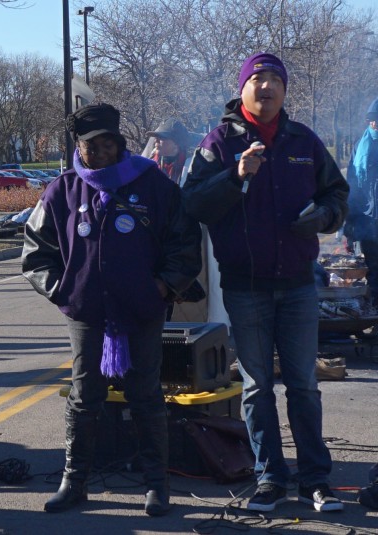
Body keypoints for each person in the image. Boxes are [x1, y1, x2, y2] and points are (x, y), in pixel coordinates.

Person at [183, 52, 349, 513]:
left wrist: (325, 216)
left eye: (275, 78)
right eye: (258, 78)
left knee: (303, 386)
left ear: (285, 90)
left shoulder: (304, 141)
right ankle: (270, 479)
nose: (267, 86)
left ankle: (315, 481)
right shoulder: (217, 143)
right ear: (242, 89)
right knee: (257, 387)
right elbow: (192, 203)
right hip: (245, 286)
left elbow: (337, 193)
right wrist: (234, 177)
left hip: (297, 285)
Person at [21, 103, 202, 515]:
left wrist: (162, 287)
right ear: (77, 148)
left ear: (120, 144)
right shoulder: (62, 190)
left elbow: (185, 245)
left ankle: (157, 485)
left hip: (141, 310)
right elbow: (35, 253)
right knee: (85, 397)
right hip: (88, 314)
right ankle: (75, 481)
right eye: (90, 146)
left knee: (145, 394)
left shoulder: (153, 184)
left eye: (108, 144)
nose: (100, 153)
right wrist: (65, 291)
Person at [344, 98, 378, 301]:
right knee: (374, 268)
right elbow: (352, 187)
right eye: (372, 120)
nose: (373, 124)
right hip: (368, 220)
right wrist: (349, 228)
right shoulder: (361, 146)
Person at [145, 118, 191, 184]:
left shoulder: (190, 167)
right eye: (156, 137)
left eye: (162, 137)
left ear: (176, 143)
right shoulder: (150, 162)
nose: (156, 140)